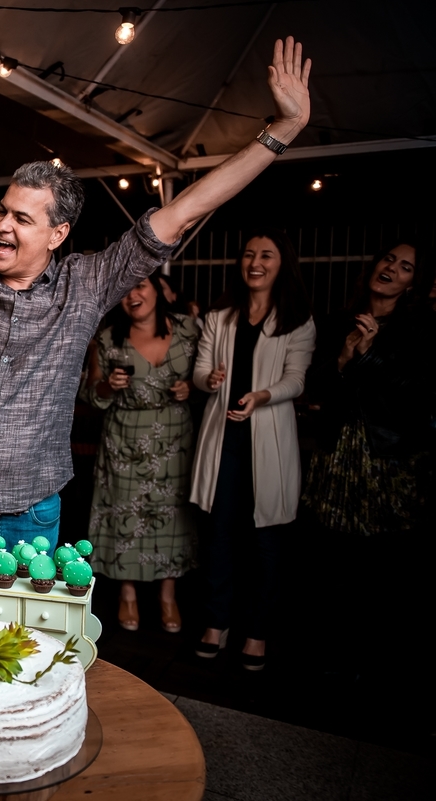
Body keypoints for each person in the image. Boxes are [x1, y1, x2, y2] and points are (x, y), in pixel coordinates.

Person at [0, 0, 314, 616]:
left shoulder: (87, 284)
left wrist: (281, 133)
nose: (2, 224)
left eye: (21, 218)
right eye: (2, 209)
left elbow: (186, 209)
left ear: (56, 235)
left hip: (31, 511)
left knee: (16, 655)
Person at [190, 231, 315, 670]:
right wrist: (211, 381)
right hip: (223, 442)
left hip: (269, 443)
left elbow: (297, 380)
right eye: (248, 254)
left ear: (283, 264)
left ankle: (257, 630)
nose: (255, 262)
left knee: (266, 542)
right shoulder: (220, 316)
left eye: (266, 255)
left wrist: (262, 395)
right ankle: (215, 622)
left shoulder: (297, 319)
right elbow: (201, 371)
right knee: (218, 536)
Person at [80, 277, 198, 633]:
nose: (134, 295)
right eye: (125, 289)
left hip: (175, 437)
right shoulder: (107, 339)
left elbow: (210, 376)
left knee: (174, 514)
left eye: (141, 286)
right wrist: (107, 385)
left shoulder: (189, 329)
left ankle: (168, 595)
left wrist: (192, 387)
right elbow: (91, 393)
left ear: (158, 291)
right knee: (124, 514)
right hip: (124, 439)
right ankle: (127, 593)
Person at [303, 242, 433, 538]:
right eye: (389, 259)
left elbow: (417, 395)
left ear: (413, 283)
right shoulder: (337, 322)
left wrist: (371, 353)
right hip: (335, 451)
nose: (391, 267)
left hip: (390, 458)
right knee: (330, 542)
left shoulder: (421, 329)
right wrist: (343, 359)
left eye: (405, 267)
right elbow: (314, 387)